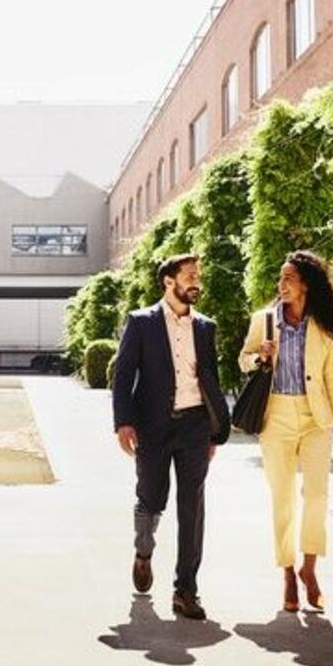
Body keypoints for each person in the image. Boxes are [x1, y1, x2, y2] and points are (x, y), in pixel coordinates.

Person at [112, 254, 231, 620]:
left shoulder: (205, 327)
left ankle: (185, 591)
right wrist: (123, 422)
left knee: (192, 507)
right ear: (168, 281)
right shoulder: (141, 322)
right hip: (153, 425)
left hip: (195, 426)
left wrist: (214, 429)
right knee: (151, 496)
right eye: (190, 276)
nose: (197, 282)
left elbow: (210, 378)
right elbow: (124, 375)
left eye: (198, 276)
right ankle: (144, 551)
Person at [239, 250, 333, 613]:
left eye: (288, 278)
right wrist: (261, 355)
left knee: (317, 495)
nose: (281, 284)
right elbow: (243, 359)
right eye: (280, 278)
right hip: (276, 417)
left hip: (315, 417)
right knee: (282, 497)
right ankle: (287, 573)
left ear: (306, 283)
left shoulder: (323, 324)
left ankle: (310, 568)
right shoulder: (265, 320)